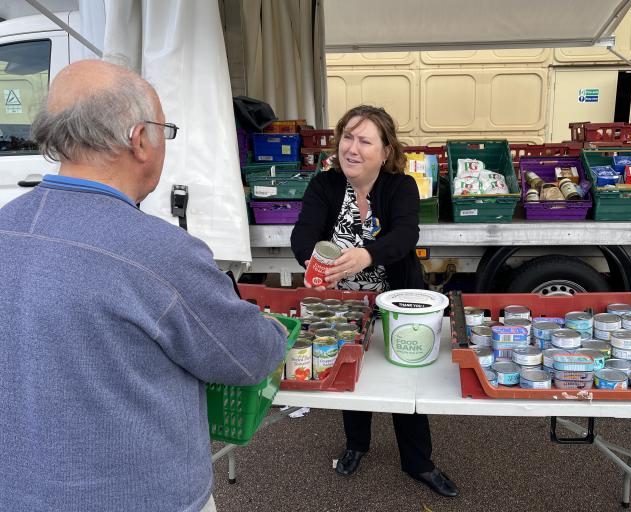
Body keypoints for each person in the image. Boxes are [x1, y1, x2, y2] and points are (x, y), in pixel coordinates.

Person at [0, 60, 288, 512]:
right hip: (143, 496)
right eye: (163, 131)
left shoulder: (6, 225)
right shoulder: (162, 253)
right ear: (139, 139)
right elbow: (247, 357)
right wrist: (271, 328)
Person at [290, 105, 458, 498]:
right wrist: (318, 262)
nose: (353, 147)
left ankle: (418, 462)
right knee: (351, 374)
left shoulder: (400, 186)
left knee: (405, 375)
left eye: (365, 140)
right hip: (344, 304)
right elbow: (303, 235)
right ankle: (356, 444)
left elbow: (405, 235)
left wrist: (367, 254)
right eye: (348, 137)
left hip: (395, 301)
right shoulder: (325, 186)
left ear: (385, 151)